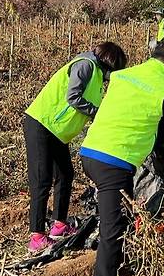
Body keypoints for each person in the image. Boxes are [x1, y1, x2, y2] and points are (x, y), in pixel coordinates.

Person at [79, 39, 164, 276]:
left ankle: (124, 265)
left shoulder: (122, 74)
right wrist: (158, 150)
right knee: (112, 232)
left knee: (123, 217)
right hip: (113, 162)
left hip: (91, 151)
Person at [24, 42, 127, 253]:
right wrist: (97, 113)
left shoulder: (97, 75)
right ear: (110, 64)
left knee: (65, 174)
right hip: (41, 124)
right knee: (41, 180)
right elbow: (73, 97)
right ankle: (36, 237)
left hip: (57, 131)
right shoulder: (86, 65)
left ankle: (59, 225)